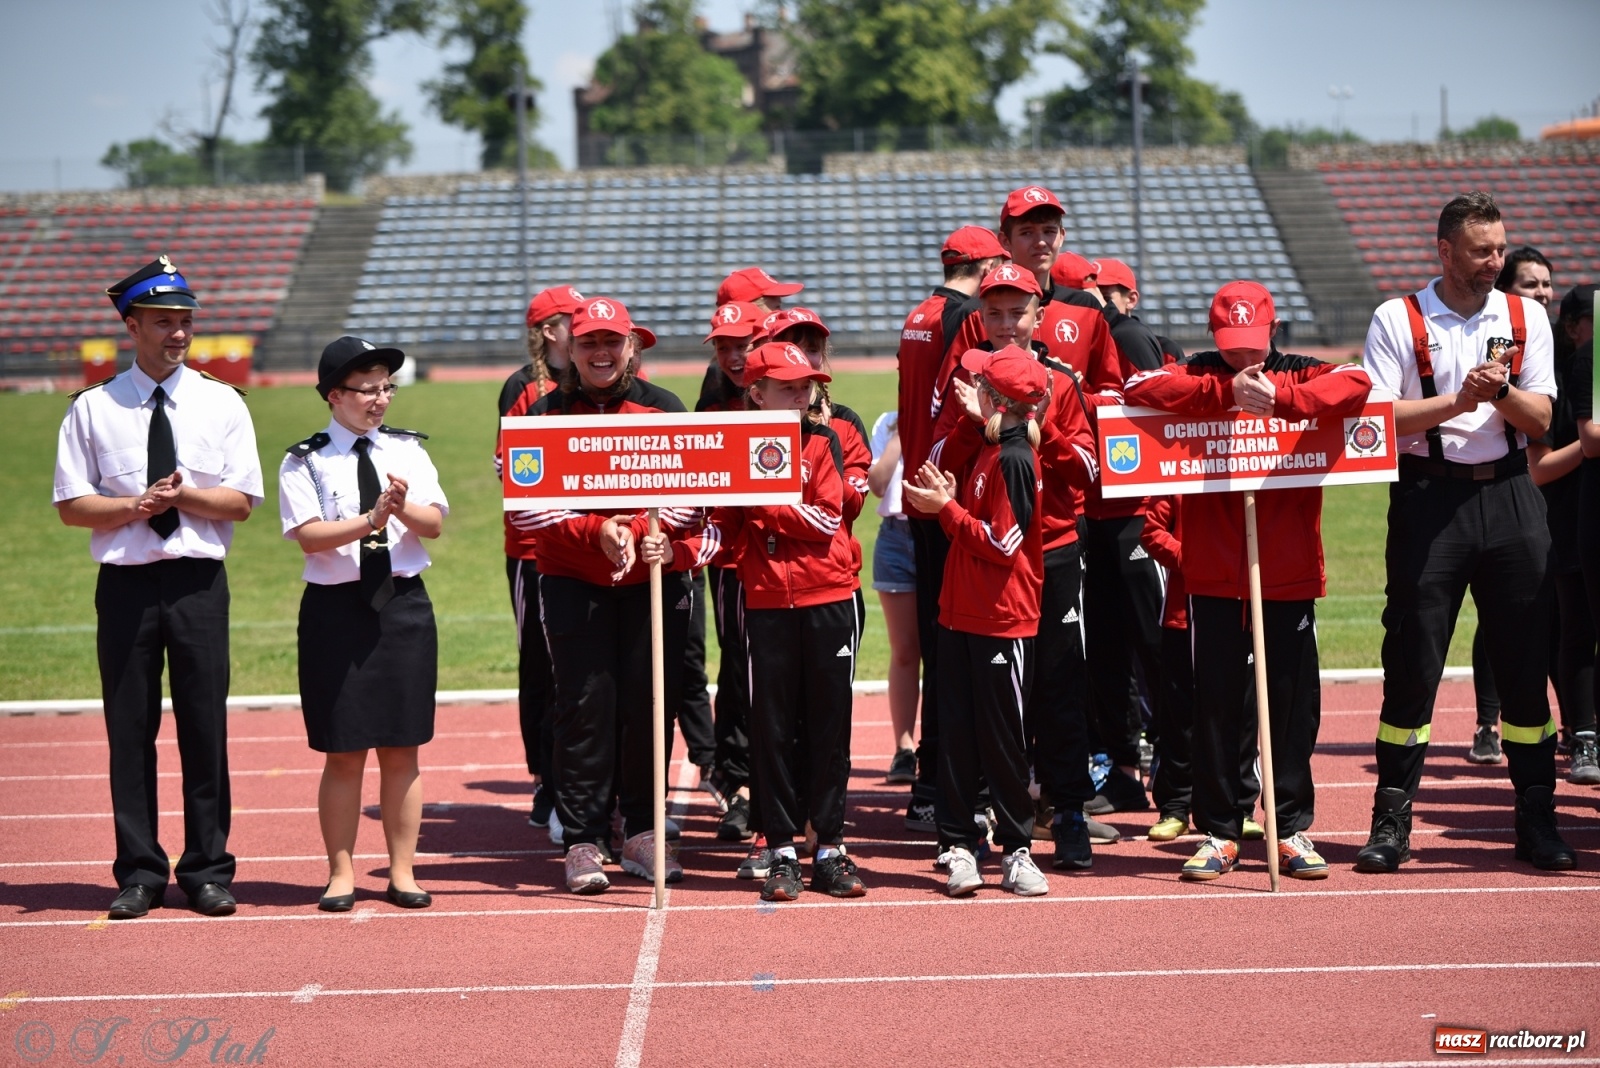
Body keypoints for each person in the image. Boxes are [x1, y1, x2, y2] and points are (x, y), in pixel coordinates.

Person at [1355, 192, 1575, 874]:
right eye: (1482, 251)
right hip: (1428, 499)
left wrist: (1501, 393)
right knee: (1413, 660)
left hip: (1512, 497)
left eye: (1500, 249)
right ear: (1444, 251)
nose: (1495, 262)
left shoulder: (1526, 315)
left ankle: (1537, 819)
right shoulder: (1398, 317)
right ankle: (1391, 824)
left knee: (1524, 662)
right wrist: (1459, 401)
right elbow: (1377, 421)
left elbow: (1543, 419)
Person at [1125, 281, 1372, 880]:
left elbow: (1359, 382)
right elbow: (1139, 387)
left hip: (1287, 572)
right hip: (1212, 573)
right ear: (1215, 337)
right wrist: (1221, 392)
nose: (1245, 358)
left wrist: (1280, 397)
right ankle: (1220, 831)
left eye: (1254, 345)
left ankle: (1290, 827)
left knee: (1291, 704)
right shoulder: (1198, 369)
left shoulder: (1299, 368)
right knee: (1215, 707)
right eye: (1232, 346)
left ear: (1274, 329)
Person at [53, 256, 263, 919]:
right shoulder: (93, 409)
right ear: (132, 325)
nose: (178, 334)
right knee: (129, 728)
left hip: (199, 582)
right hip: (125, 586)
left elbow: (241, 504)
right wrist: (134, 509)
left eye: (185, 322)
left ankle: (207, 869)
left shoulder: (222, 403)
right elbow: (70, 506)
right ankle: (139, 872)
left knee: (206, 727)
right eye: (164, 322)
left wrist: (187, 496)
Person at [646, 341, 865, 901]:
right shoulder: (735, 449)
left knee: (829, 727)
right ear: (757, 392)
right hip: (766, 604)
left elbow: (825, 518)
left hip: (828, 598)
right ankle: (784, 850)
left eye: (806, 386)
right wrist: (676, 554)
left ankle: (832, 847)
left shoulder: (824, 441)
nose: (800, 395)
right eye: (787, 387)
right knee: (770, 728)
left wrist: (764, 500)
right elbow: (725, 533)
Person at [513, 296, 698, 894]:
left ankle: (644, 829)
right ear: (569, 346)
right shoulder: (543, 415)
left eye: (611, 342)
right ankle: (584, 838)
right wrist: (598, 531)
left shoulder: (665, 408)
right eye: (589, 341)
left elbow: (697, 495)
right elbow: (526, 510)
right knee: (583, 709)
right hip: (573, 583)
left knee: (649, 706)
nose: (600, 352)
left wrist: (654, 532)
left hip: (651, 583)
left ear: (631, 348)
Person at [931, 263, 1104, 867]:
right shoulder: (968, 378)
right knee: (980, 695)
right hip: (986, 559)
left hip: (1052, 553)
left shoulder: (1061, 380)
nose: (1007, 326)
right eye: (995, 313)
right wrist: (981, 423)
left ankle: (1070, 811)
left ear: (1038, 315)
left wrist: (1032, 428)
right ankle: (976, 823)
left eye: (1018, 313)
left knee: (1058, 685)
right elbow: (935, 464)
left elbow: (1091, 472)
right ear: (981, 317)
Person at [280, 337, 448, 911]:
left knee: (404, 746)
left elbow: (433, 525)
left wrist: (398, 509)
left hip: (402, 605)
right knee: (344, 750)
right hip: (335, 610)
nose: (380, 399)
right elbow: (307, 535)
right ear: (335, 395)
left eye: (386, 388)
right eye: (368, 389)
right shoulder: (304, 458)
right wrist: (367, 520)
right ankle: (341, 872)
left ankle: (402, 871)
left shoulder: (408, 451)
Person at [904, 344, 1052, 898]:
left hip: (1001, 618)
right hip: (962, 613)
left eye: (979, 386)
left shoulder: (1014, 458)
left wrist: (946, 507)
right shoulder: (993, 449)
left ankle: (1016, 850)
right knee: (957, 740)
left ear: (997, 398)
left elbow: (1003, 542)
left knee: (1003, 741)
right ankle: (959, 844)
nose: (970, 391)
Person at [895, 225, 1007, 833]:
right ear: (985, 264)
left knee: (940, 647)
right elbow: (956, 402)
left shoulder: (920, 313)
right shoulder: (965, 318)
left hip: (919, 490)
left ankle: (930, 785)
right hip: (947, 489)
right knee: (958, 646)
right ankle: (944, 786)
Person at [1465, 247, 1560, 763]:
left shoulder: (1548, 341)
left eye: (1547, 285)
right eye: (1531, 284)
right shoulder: (1497, 329)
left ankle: (1571, 737)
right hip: (1499, 486)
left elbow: (1541, 418)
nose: (1541, 293)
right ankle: (1486, 721)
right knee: (1489, 623)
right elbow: (1544, 444)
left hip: (1527, 501)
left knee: (1537, 628)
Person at [498, 285, 583, 840]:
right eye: (573, 320)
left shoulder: (591, 382)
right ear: (550, 331)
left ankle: (578, 784)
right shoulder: (524, 388)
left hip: (586, 544)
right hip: (534, 551)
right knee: (542, 667)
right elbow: (513, 467)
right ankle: (547, 782)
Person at [695, 301, 771, 843]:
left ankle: (776, 783)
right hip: (728, 561)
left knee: (777, 671)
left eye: (741, 344)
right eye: (723, 347)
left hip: (783, 559)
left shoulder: (788, 399)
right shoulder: (711, 407)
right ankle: (739, 783)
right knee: (738, 667)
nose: (733, 355)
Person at [1561, 284, 1599, 784]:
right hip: (1585, 514)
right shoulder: (1590, 357)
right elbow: (1590, 438)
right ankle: (1585, 735)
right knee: (1580, 630)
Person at [867, 410, 919, 782]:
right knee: (903, 650)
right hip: (894, 538)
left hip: (936, 533)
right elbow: (878, 483)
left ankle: (938, 744)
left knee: (942, 650)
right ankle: (904, 748)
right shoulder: (887, 422)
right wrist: (901, 435)